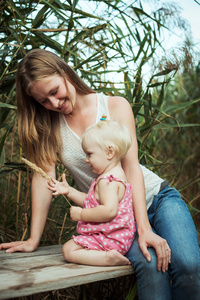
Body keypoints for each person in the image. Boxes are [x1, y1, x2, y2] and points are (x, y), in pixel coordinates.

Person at [0, 49, 199, 300]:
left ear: (64, 73)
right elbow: (43, 180)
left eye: (54, 92)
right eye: (43, 101)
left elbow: (131, 168)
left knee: (188, 265)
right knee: (150, 266)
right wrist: (32, 239)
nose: (53, 103)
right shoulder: (50, 128)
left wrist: (145, 228)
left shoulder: (114, 106)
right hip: (115, 220)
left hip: (157, 199)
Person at [47, 119, 136, 266]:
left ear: (109, 152)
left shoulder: (108, 181)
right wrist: (69, 191)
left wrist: (81, 215)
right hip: (114, 237)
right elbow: (91, 202)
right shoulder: (114, 176)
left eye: (89, 154)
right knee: (70, 248)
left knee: (68, 250)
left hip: (110, 239)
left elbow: (109, 211)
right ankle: (107, 256)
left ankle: (108, 258)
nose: (86, 160)